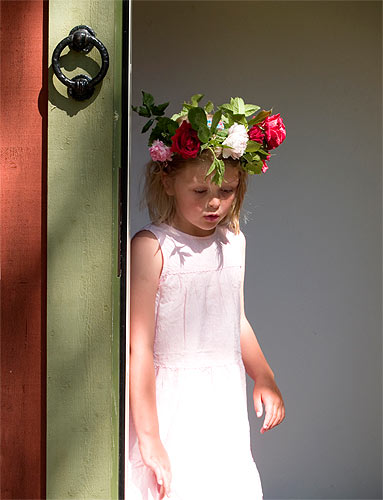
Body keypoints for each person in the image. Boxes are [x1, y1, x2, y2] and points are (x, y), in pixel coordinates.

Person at [128, 93, 287, 500]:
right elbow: (139, 347)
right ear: (168, 181)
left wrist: (264, 377)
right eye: (199, 191)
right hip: (171, 404)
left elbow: (237, 320)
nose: (214, 202)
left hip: (222, 403)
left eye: (226, 190)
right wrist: (149, 437)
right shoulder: (153, 247)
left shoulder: (234, 243)